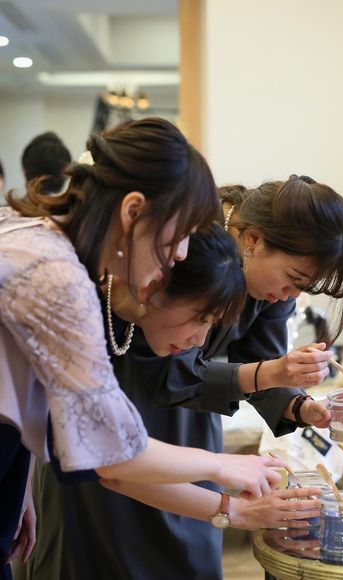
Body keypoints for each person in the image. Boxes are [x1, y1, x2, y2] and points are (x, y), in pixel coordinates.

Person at [15, 175, 343, 580]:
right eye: (294, 278)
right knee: (108, 552)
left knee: (192, 548)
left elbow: (264, 362)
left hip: (194, 425)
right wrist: (267, 377)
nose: (292, 295)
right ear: (253, 240)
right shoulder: (182, 250)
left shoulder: (270, 284)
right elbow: (169, 376)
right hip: (121, 409)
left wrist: (301, 406)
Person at [0, 118, 283, 580]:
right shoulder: (59, 277)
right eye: (179, 236)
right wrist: (224, 468)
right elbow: (111, 455)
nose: (181, 255)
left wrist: (18, 484)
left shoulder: (32, 236)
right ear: (133, 212)